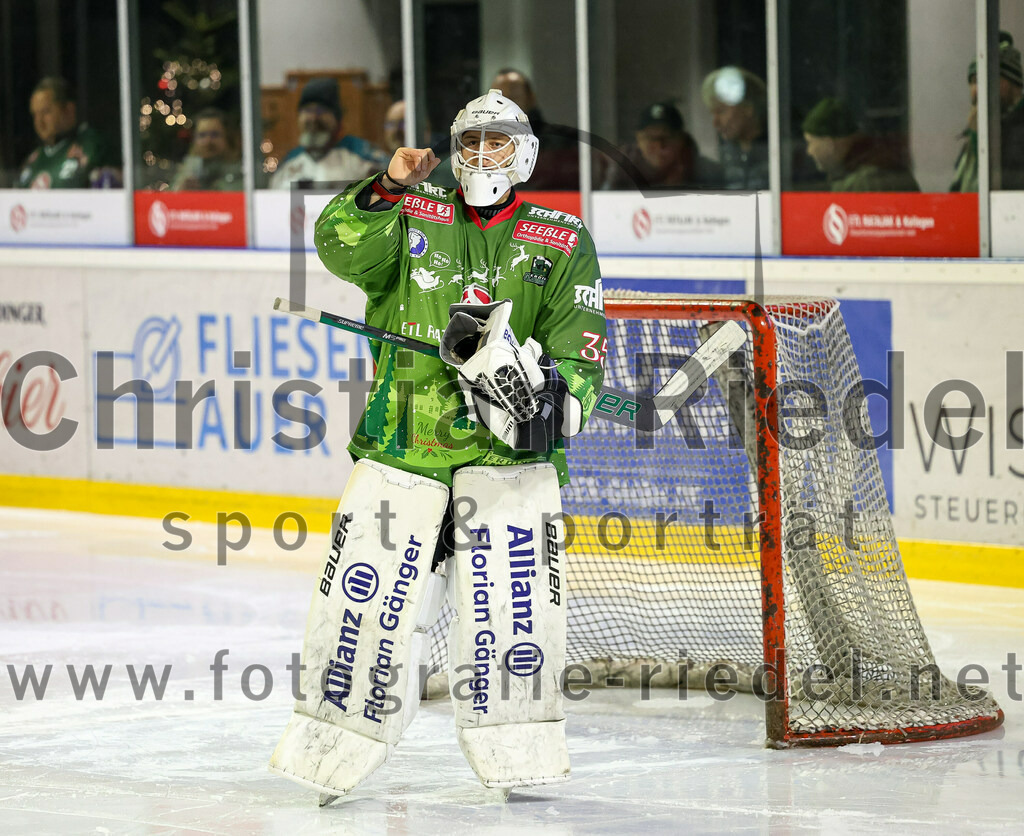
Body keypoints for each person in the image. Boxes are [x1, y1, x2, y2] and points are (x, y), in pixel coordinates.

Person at [269, 88, 606, 803]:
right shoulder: (413, 209)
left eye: (498, 142)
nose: (482, 155)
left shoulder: (561, 236)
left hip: (507, 459)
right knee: (360, 607)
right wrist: (389, 184)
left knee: (516, 617)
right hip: (404, 442)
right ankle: (335, 745)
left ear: (526, 153)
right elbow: (338, 245)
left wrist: (560, 399)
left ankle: (520, 754)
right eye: (472, 141)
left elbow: (582, 343)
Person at [271, 77, 389, 188]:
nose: (313, 118)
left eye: (320, 110)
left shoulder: (361, 154)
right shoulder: (290, 161)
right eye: (307, 110)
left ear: (336, 120)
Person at [951, 31, 1024, 192]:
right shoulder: (976, 130)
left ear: (1014, 83)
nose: (978, 90)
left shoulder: (1017, 130)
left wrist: (980, 137)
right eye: (974, 81)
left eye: (987, 78)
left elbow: (1004, 187)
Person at [801, 97, 920, 192]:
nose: (809, 151)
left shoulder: (863, 183)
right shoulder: (881, 165)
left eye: (810, 142)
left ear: (829, 144)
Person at [17, 77, 114, 189]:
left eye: (45, 112)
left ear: (69, 110)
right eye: (35, 115)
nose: (39, 122)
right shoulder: (34, 160)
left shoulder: (92, 145)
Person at [491, 68, 580, 189]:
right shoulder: (478, 142)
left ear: (530, 98)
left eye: (514, 96)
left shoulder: (560, 142)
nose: (507, 104)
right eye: (501, 98)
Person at [603, 101, 723, 190]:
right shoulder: (623, 168)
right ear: (638, 140)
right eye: (650, 138)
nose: (659, 145)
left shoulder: (702, 170)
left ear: (681, 140)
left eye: (667, 137)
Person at [702, 66, 769, 190]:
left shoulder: (783, 157)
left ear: (748, 108)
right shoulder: (724, 159)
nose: (715, 122)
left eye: (721, 111)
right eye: (713, 113)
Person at [170, 108, 242, 191]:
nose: (208, 141)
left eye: (215, 135)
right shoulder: (187, 171)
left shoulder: (239, 171)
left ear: (228, 138)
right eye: (202, 135)